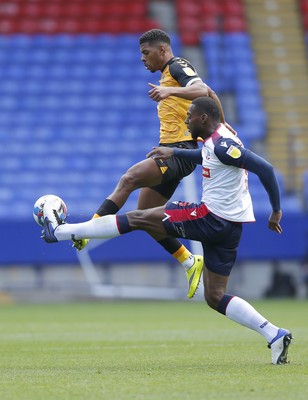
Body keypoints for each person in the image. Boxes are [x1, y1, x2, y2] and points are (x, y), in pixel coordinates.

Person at [42, 96, 293, 365]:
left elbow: (265, 168)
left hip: (209, 217)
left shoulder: (223, 145)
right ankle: (274, 334)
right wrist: (174, 152)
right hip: (230, 227)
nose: (186, 120)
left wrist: (276, 210)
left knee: (138, 218)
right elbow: (205, 156)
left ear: (204, 118)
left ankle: (60, 232)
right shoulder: (217, 140)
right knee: (214, 295)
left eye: (190, 116)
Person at [72, 29, 236, 299]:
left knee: (129, 178)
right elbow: (210, 93)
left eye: (146, 53)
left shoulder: (177, 66)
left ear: (162, 50)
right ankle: (189, 261)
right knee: (145, 216)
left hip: (180, 150)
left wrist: (169, 92)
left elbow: (201, 89)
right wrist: (222, 122)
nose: (142, 59)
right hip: (172, 151)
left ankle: (89, 229)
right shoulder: (168, 76)